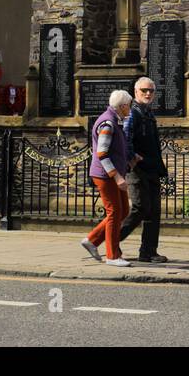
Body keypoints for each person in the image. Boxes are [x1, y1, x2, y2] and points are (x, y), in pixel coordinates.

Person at [119, 77, 168, 263]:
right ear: (135, 91)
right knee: (140, 207)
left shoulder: (148, 113)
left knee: (154, 211)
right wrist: (133, 157)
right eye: (144, 90)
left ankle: (148, 252)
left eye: (151, 91)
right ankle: (112, 240)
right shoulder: (133, 113)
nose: (148, 93)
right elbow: (125, 137)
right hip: (138, 169)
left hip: (152, 168)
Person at [81, 90, 132, 267]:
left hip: (111, 174)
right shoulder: (108, 124)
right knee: (114, 213)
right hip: (105, 175)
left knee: (123, 210)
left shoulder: (114, 121)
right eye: (129, 106)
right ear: (123, 106)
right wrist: (117, 177)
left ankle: (92, 240)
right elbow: (102, 153)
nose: (130, 109)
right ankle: (112, 255)